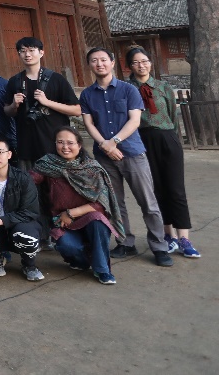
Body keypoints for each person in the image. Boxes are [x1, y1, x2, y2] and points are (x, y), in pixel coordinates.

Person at [80, 47, 173, 267]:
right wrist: (105, 145)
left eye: (104, 60)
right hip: (104, 157)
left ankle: (159, 246)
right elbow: (89, 123)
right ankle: (125, 241)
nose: (99, 64)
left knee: (148, 202)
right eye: (94, 60)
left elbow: (135, 120)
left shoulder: (128, 89)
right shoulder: (87, 94)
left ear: (112, 63)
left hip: (132, 152)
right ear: (90, 65)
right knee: (115, 203)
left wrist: (114, 141)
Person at [127, 46, 200, 258]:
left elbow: (172, 115)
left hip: (167, 138)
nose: (141, 66)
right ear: (130, 66)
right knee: (156, 190)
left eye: (144, 61)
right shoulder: (127, 89)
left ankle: (184, 238)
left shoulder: (163, 87)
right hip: (142, 140)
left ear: (151, 63)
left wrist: (173, 138)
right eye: (136, 62)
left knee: (176, 189)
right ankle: (168, 235)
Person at [32, 127, 125, 285]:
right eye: (60, 142)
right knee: (66, 246)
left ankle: (103, 270)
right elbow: (28, 180)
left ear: (79, 145)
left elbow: (101, 204)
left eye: (70, 143)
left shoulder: (92, 169)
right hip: (63, 223)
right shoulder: (47, 165)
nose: (65, 147)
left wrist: (70, 213)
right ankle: (83, 260)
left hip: (88, 220)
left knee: (98, 220)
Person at [0, 132, 44, 282]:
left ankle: (29, 265)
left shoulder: (23, 178)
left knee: (26, 237)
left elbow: (30, 212)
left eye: (0, 152)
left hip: (20, 225)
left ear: (9, 154)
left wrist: (2, 220)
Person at [4, 37, 79, 169]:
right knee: (29, 181)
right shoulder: (14, 81)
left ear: (41, 53)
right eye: (23, 51)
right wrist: (14, 105)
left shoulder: (56, 79)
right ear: (19, 54)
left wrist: (47, 102)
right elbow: (7, 111)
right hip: (26, 146)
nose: (27, 54)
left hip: (54, 145)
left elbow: (76, 110)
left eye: (31, 50)